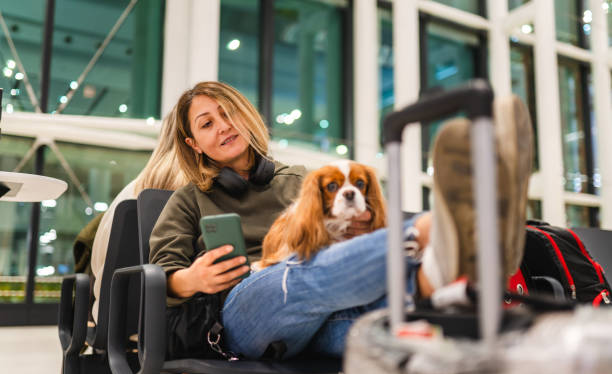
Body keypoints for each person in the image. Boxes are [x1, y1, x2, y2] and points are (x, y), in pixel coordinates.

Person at [149, 81, 532, 359]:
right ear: (193, 145)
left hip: (322, 319)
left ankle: (443, 276)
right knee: (298, 270)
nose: (223, 126)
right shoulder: (188, 200)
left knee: (383, 325)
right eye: (206, 123)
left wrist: (358, 233)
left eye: (228, 113)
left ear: (246, 116)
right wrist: (190, 279)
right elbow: (158, 275)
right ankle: (440, 232)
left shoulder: (302, 180)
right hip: (240, 314)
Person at [90, 107, 187, 323]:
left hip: (116, 319)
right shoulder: (201, 196)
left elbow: (98, 267)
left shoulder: (129, 192)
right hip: (174, 326)